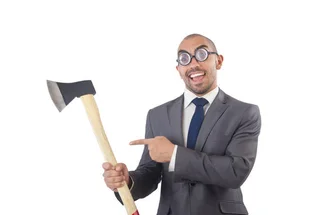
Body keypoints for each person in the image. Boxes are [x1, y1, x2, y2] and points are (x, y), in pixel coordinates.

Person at [101, 33, 261, 215]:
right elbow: (150, 173)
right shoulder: (158, 115)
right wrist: (128, 181)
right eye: (184, 58)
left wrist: (175, 155)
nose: (193, 64)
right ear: (178, 69)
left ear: (219, 61)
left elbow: (235, 172)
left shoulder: (244, 113)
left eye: (202, 54)